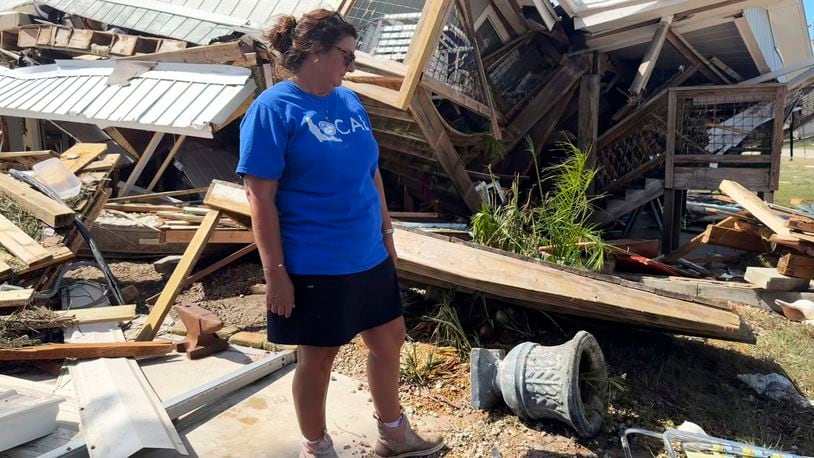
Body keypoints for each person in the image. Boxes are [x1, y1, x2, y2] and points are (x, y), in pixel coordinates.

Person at [236, 9, 445, 458]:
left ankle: (393, 433)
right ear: (314, 52)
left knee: (390, 340)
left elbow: (372, 175)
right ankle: (316, 447)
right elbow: (260, 199)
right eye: (345, 57)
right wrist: (275, 273)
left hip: (367, 252)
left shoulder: (348, 101)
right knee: (319, 358)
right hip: (315, 260)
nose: (350, 67)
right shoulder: (272, 111)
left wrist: (388, 235)